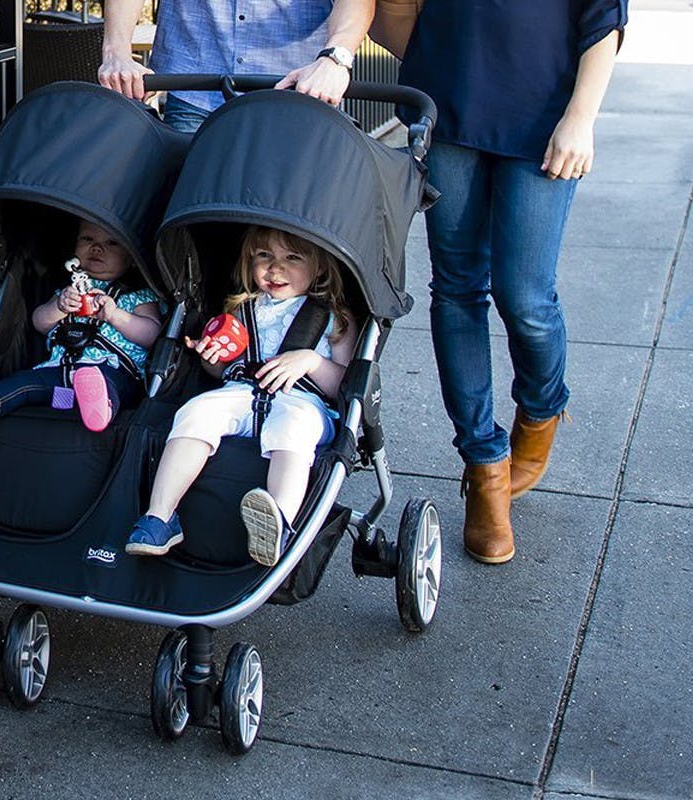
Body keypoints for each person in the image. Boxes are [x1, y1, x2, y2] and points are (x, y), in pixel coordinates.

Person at [395, 2, 628, 564]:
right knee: (456, 290)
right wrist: (435, 57)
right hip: (449, 108)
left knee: (525, 297)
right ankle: (484, 466)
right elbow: (393, 10)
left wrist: (581, 118)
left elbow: (605, 19)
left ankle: (542, 407)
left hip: (545, 116)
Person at [124, 226, 357, 566]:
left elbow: (344, 385)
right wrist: (211, 357)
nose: (275, 269)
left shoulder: (335, 318)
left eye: (292, 258)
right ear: (249, 261)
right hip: (241, 392)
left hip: (301, 401)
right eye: (264, 256)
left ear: (319, 267)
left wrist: (312, 361)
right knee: (196, 411)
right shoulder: (242, 310)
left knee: (294, 427)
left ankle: (279, 522)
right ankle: (160, 516)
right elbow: (221, 372)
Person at [0, 220, 163, 433]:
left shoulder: (137, 295)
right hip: (59, 373)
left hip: (111, 369)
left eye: (112, 242)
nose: (97, 248)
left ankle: (101, 408)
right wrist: (59, 307)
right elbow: (39, 322)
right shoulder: (68, 290)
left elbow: (152, 333)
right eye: (87, 238)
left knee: (109, 386)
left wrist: (115, 316)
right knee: (25, 383)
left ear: (132, 257)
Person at [99, 0, 374, 132]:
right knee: (190, 216)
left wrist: (335, 59)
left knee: (286, 223)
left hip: (297, 95)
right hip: (194, 91)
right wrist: (116, 53)